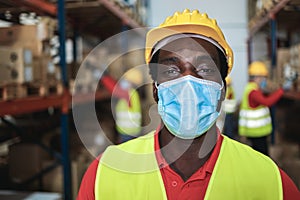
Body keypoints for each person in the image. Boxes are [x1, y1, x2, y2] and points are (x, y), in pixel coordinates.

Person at [77, 9, 300, 199]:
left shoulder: (270, 182)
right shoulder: (104, 175)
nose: (188, 83)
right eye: (172, 70)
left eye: (204, 69)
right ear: (156, 89)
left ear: (222, 91)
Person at [238, 61, 284, 156]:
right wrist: (281, 91)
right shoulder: (253, 91)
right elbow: (267, 102)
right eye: (263, 78)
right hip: (256, 132)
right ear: (257, 77)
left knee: (257, 154)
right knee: (262, 155)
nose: (264, 80)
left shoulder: (251, 87)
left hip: (254, 131)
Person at [113, 68, 142, 143]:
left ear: (131, 83)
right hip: (132, 132)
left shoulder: (128, 94)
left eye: (126, 80)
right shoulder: (134, 93)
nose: (123, 82)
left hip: (127, 133)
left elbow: (114, 89)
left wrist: (104, 77)